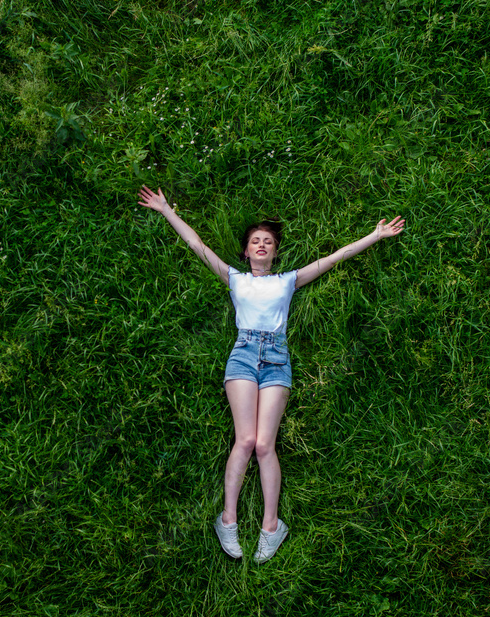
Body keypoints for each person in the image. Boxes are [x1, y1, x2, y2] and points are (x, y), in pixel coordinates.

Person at [137, 185, 405, 562]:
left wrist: (375, 236)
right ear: (246, 252)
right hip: (243, 356)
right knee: (245, 440)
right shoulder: (235, 278)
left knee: (265, 445)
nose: (261, 245)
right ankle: (227, 520)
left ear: (275, 252)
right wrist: (166, 210)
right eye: (255, 241)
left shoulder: (287, 281)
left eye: (267, 241)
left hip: (277, 358)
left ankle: (271, 526)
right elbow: (197, 245)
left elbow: (333, 258)